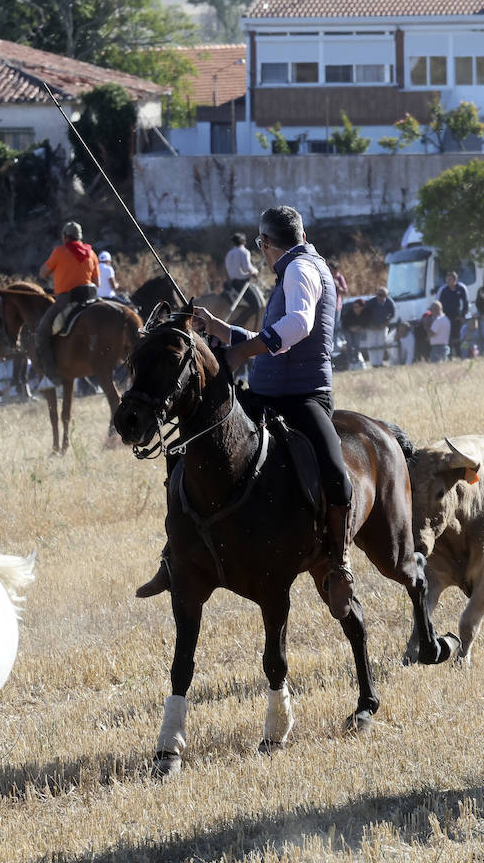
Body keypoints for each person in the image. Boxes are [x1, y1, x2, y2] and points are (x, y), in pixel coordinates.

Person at [141, 206, 357, 620]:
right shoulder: (290, 270)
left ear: (264, 244)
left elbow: (298, 325)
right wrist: (218, 327)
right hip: (265, 392)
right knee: (190, 444)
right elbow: (264, 336)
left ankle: (339, 564)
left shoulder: (300, 270)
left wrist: (241, 350)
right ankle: (174, 555)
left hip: (304, 396)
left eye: (261, 244)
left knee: (335, 475)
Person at [36, 220, 99, 382]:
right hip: (91, 296)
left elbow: (43, 273)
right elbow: (97, 282)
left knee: (42, 332)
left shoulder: (59, 251)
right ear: (80, 237)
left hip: (67, 298)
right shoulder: (91, 253)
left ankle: (51, 376)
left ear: (65, 237)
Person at [362, 286, 395, 367]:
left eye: (382, 295)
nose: (379, 297)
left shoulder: (389, 302)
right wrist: (370, 325)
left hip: (382, 326)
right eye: (378, 294)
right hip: (371, 327)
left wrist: (385, 324)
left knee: (381, 344)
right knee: (372, 344)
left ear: (386, 296)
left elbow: (392, 314)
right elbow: (364, 314)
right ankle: (374, 363)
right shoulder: (371, 302)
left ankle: (380, 362)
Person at [438, 271, 469, 359]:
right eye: (447, 279)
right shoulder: (444, 290)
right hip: (447, 318)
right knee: (449, 338)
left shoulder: (461, 289)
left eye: (450, 279)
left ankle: (460, 355)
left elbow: (465, 303)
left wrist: (463, 315)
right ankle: (450, 356)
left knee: (459, 337)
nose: (448, 281)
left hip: (457, 318)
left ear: (455, 280)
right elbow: (440, 304)